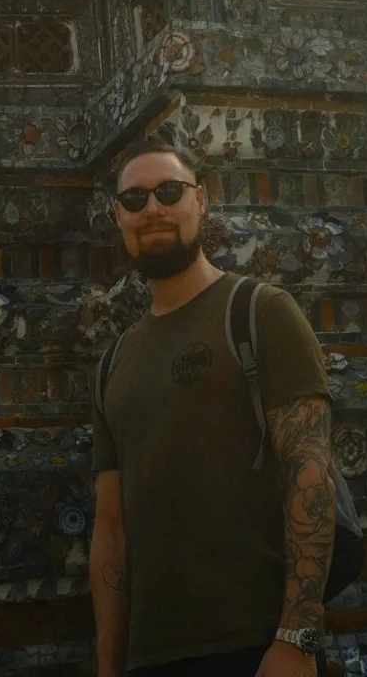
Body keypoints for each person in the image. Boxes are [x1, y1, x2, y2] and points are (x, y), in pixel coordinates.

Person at [89, 138, 337, 677]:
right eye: (134, 199)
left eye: (169, 192)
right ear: (119, 216)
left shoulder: (259, 312)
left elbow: (309, 473)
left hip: (256, 645)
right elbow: (111, 532)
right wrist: (109, 668)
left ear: (200, 202)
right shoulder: (114, 363)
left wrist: (298, 636)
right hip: (151, 657)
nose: (152, 208)